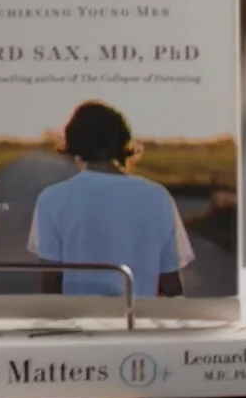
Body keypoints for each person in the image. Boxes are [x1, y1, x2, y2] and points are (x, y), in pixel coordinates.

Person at [28, 101, 196, 299]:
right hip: (136, 316)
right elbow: (172, 287)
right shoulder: (157, 196)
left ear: (73, 142)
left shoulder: (52, 199)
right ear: (122, 141)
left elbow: (50, 287)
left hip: (79, 316)